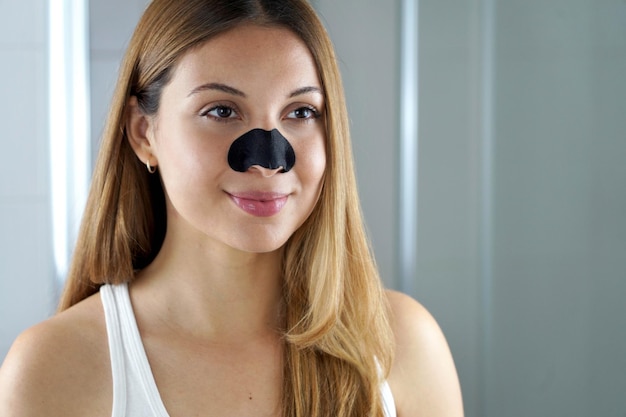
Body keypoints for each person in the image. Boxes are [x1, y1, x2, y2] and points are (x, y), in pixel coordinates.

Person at [0, 0, 463, 416]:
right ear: (144, 133)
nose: (267, 159)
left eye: (300, 112)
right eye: (221, 111)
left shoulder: (400, 344)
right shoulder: (59, 367)